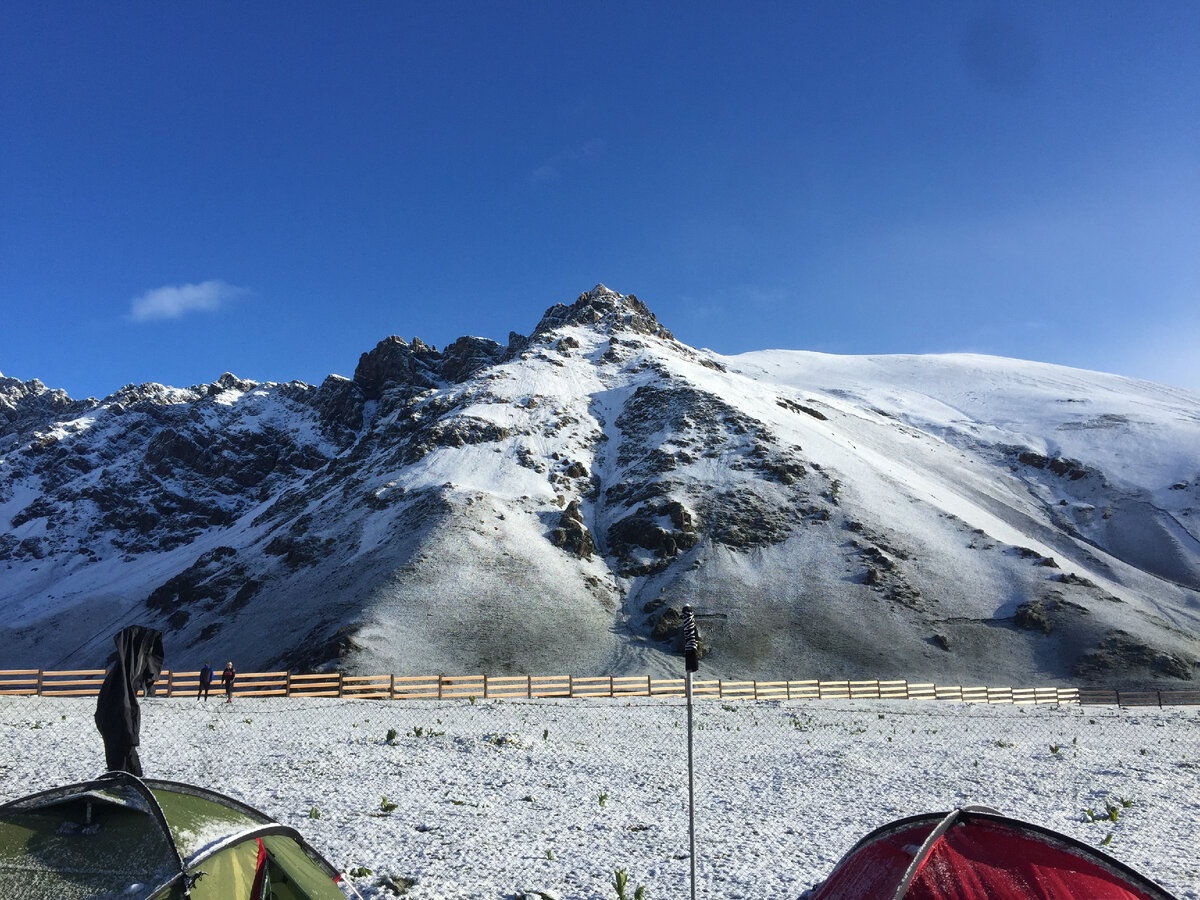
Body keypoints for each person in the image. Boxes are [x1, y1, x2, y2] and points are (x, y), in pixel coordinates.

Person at [681, 605, 700, 673]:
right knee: (692, 653)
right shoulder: (690, 619)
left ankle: (690, 667)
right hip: (691, 640)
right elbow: (694, 630)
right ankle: (693, 667)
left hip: (689, 640)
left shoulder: (687, 619)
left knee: (690, 654)